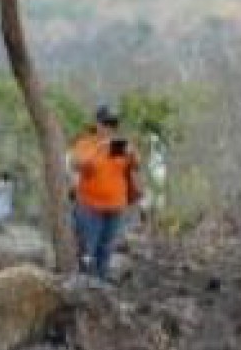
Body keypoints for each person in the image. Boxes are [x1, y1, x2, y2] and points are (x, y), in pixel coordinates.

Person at [69, 106, 142, 280]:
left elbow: (136, 165)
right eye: (106, 123)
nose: (109, 128)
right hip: (89, 207)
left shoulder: (119, 146)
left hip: (115, 207)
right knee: (88, 249)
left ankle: (101, 286)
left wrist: (132, 154)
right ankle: (86, 284)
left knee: (106, 248)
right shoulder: (86, 143)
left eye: (113, 124)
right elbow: (77, 164)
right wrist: (99, 148)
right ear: (97, 124)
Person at [142, 132, 168, 225]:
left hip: (157, 173)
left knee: (153, 199)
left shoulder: (157, 144)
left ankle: (151, 224)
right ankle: (149, 223)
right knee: (151, 199)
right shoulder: (160, 144)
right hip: (157, 173)